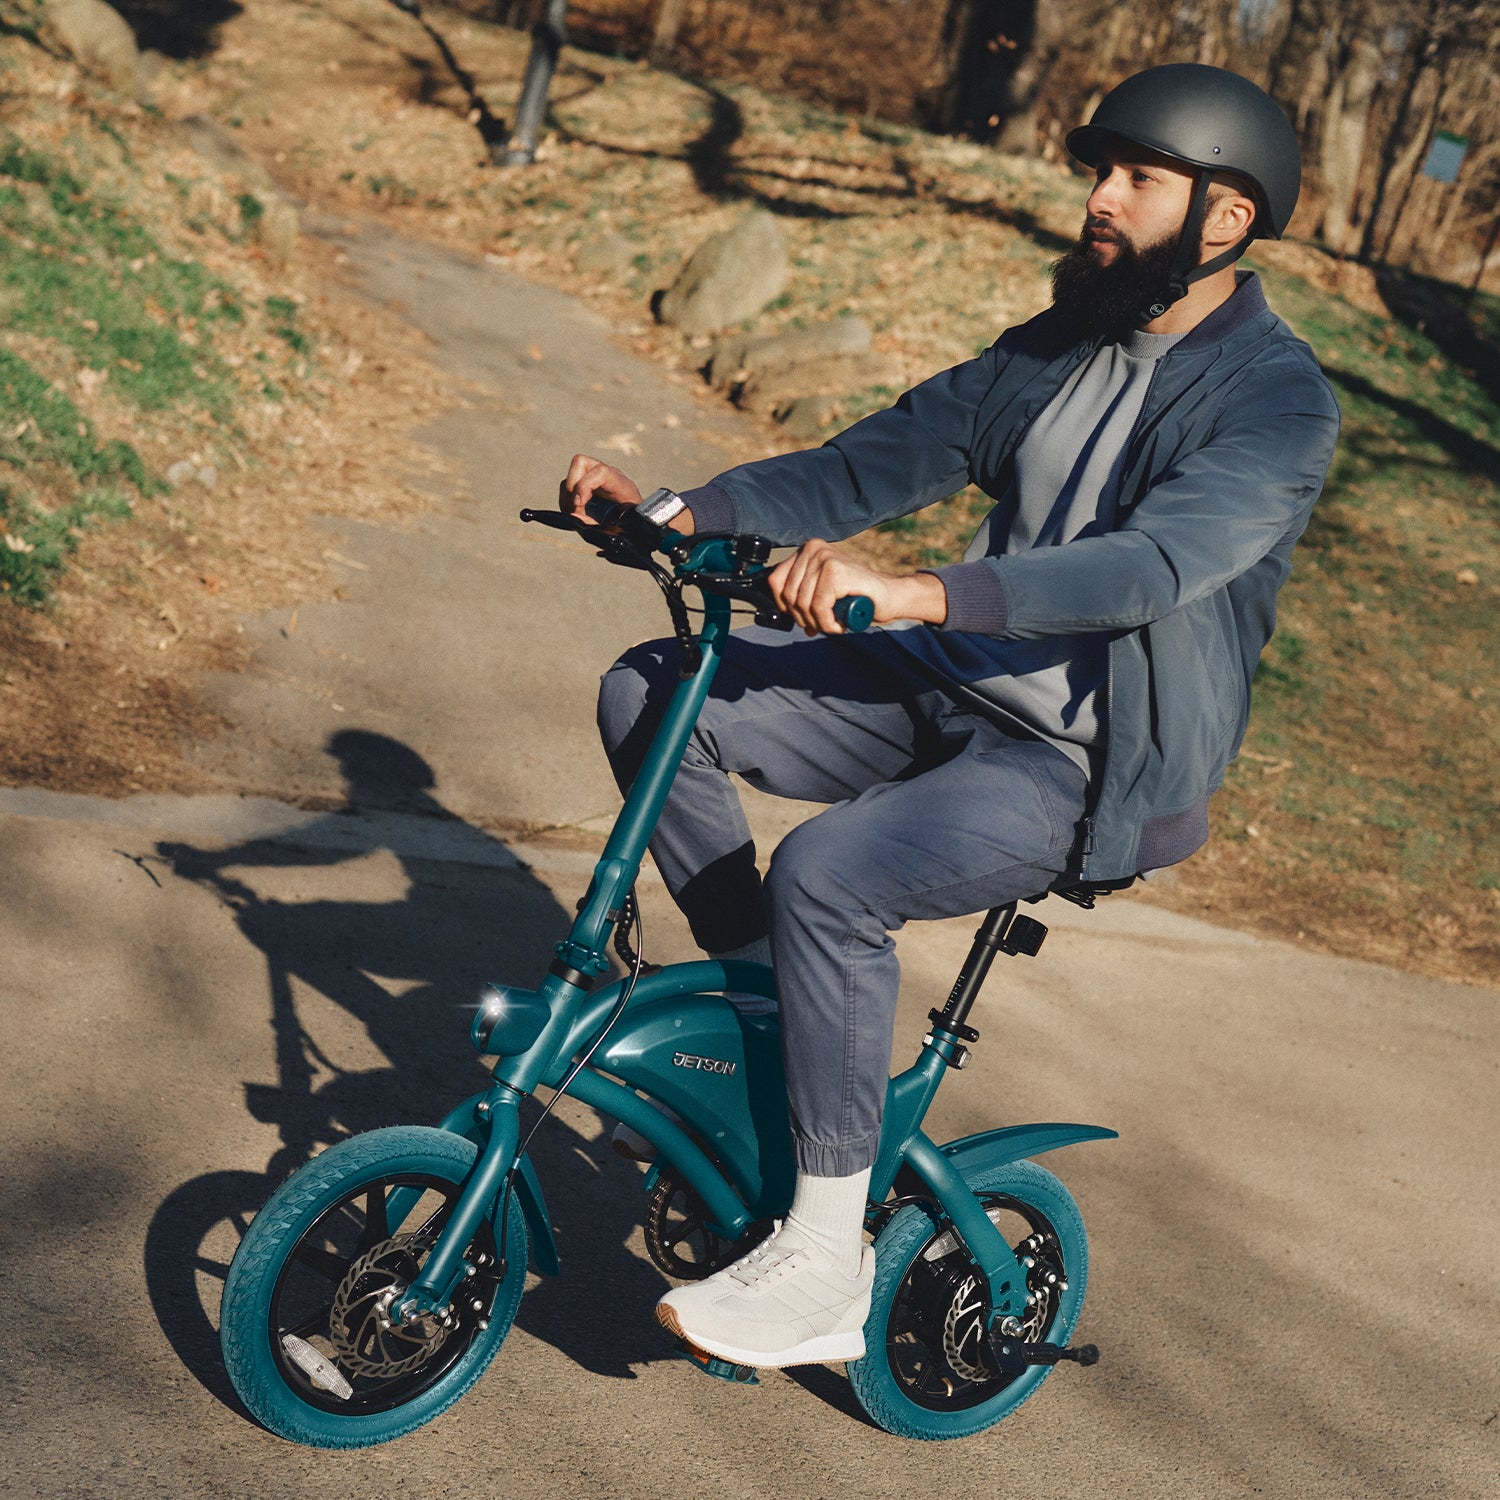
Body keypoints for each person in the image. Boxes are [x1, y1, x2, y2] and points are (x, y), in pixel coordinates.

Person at [558, 63, 1340, 1373]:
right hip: (942, 685)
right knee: (651, 689)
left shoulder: (1275, 400)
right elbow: (871, 462)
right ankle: (775, 1021)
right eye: (1100, 170)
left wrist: (922, 590)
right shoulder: (1064, 341)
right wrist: (677, 515)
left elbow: (1146, 569)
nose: (1097, 199)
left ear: (1226, 218)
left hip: (1092, 765)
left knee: (832, 869)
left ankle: (820, 1258)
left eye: (1135, 178)